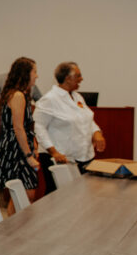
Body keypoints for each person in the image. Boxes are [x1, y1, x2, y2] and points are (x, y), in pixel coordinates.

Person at [33, 62, 105, 190]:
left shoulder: (77, 97)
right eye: (78, 76)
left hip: (83, 156)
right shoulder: (50, 99)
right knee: (59, 196)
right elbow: (39, 127)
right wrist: (54, 152)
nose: (81, 79)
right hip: (60, 158)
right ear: (67, 78)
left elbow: (87, 119)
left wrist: (97, 133)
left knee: (82, 194)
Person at [0, 57, 40, 213]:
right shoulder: (17, 96)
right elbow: (18, 128)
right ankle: (13, 225)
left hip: (20, 148)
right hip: (16, 151)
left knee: (22, 195)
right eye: (34, 72)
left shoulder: (21, 94)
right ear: (25, 73)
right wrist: (28, 155)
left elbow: (27, 126)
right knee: (24, 194)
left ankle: (14, 225)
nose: (37, 76)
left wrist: (34, 145)